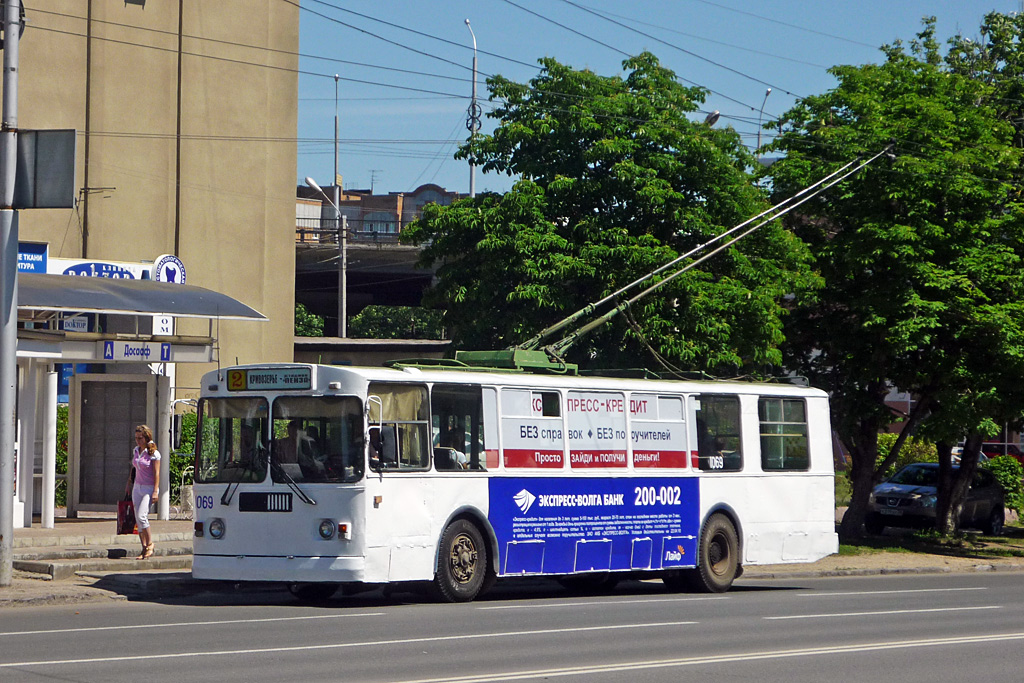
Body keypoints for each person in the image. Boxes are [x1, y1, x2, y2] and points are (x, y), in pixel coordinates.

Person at [125, 424, 161, 560]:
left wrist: (155, 491)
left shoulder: (153, 454)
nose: (138, 441)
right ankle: (144, 547)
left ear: (146, 438)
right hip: (137, 487)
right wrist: (129, 482)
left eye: (140, 438)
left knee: (142, 516)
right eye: (136, 438)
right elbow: (134, 467)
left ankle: (150, 543)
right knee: (137, 519)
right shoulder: (136, 451)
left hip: (148, 487)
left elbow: (157, 473)